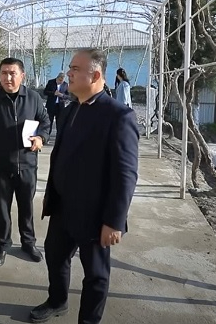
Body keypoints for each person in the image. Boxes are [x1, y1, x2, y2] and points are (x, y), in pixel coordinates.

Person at [30, 48, 139, 324]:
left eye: (75, 69)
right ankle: (57, 301)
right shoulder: (71, 109)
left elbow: (126, 174)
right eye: (70, 68)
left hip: (95, 214)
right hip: (63, 207)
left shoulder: (118, 116)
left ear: (96, 75)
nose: (69, 73)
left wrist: (114, 221)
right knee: (55, 257)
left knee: (96, 275)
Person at [0, 57, 50, 267]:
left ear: (22, 76)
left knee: (27, 208)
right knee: (2, 209)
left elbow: (45, 121)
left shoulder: (33, 98)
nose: (7, 78)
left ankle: (28, 243)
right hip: (0, 166)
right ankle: (3, 245)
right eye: (4, 73)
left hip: (27, 164)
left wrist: (41, 137)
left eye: (12, 73)